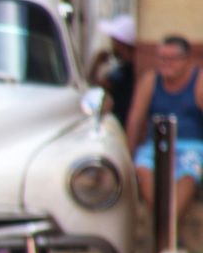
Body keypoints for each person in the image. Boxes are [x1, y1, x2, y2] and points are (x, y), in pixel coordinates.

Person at [127, 35, 201, 230]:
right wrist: (129, 153)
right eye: (161, 58)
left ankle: (167, 225)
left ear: (186, 60)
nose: (165, 64)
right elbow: (135, 120)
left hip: (191, 147)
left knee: (188, 173)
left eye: (172, 58)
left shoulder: (199, 81)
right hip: (155, 145)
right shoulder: (150, 81)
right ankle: (165, 221)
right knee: (143, 167)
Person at [86, 13, 137, 130]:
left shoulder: (125, 72)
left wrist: (96, 64)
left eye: (114, 41)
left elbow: (95, 87)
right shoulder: (123, 69)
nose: (112, 44)